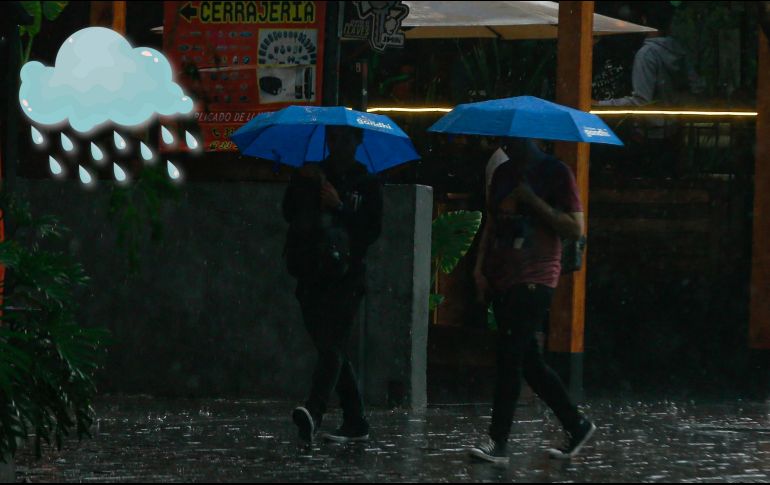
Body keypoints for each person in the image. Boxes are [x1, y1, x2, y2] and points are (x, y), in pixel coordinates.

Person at [468, 137, 595, 464]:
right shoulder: (503, 173)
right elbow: (492, 222)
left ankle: (498, 441)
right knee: (529, 361)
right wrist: (480, 268)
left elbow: (574, 228)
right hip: (504, 275)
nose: (508, 144)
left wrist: (532, 201)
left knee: (510, 357)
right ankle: (576, 423)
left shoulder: (556, 172)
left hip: (537, 276)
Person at [282, 125, 383, 445]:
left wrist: (340, 206)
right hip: (312, 274)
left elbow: (370, 231)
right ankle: (355, 419)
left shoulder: (366, 183)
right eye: (333, 138)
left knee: (332, 346)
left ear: (358, 141)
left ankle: (314, 410)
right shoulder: (313, 175)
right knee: (332, 349)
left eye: (346, 139)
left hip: (346, 277)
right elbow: (290, 214)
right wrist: (302, 183)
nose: (339, 145)